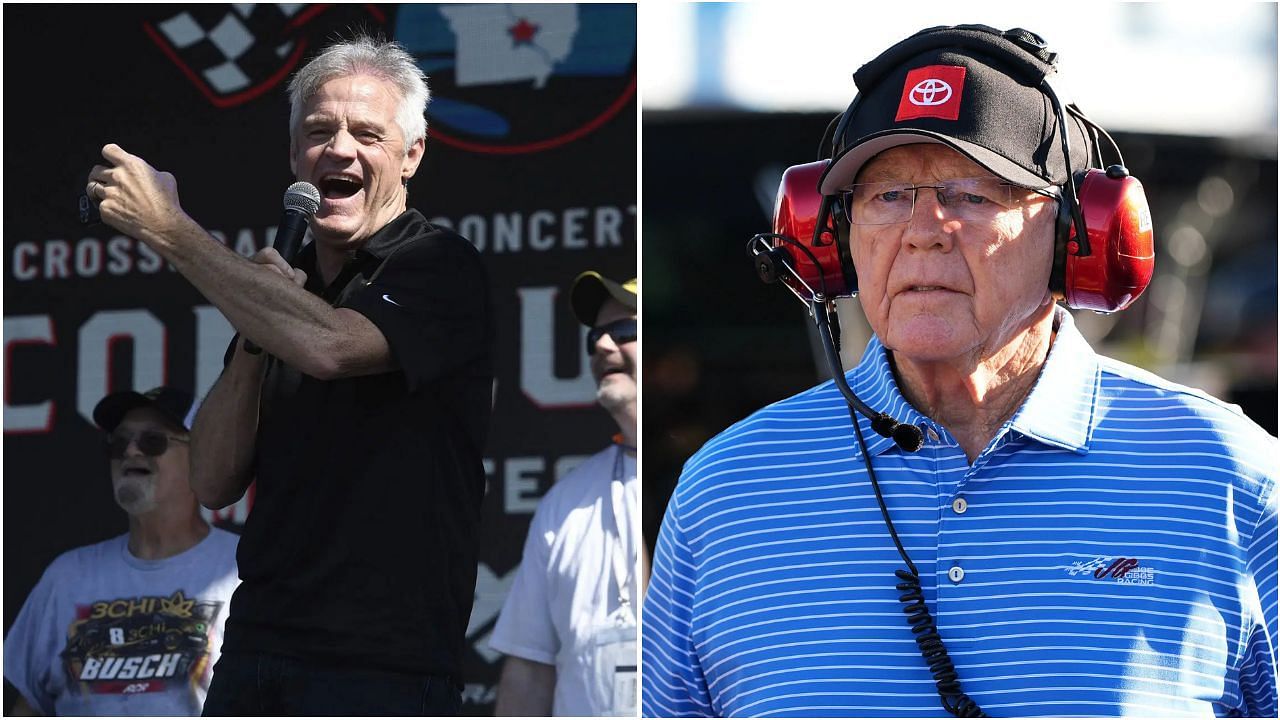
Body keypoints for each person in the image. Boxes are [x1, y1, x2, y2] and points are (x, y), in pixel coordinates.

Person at [643, 24, 1277, 718]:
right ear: (830, 237)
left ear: (1078, 236)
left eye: (973, 193)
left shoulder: (1230, 478)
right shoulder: (727, 491)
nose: (923, 228)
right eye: (886, 195)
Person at [84, 36, 493, 715]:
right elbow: (213, 480)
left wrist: (171, 232)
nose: (340, 150)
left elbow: (332, 348)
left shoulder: (437, 262)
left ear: (411, 154)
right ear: (294, 154)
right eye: (318, 131)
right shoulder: (277, 295)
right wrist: (253, 326)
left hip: (384, 663)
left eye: (367, 133)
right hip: (258, 652)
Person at [4, 387, 240, 716]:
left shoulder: (242, 568)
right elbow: (27, 708)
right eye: (118, 443)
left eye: (152, 441)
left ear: (201, 457)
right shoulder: (67, 576)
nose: (130, 451)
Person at [491, 272, 639, 716]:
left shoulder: (707, 480)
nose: (602, 346)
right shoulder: (564, 503)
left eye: (626, 331)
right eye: (595, 336)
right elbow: (528, 673)